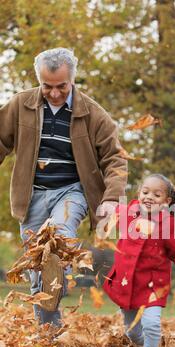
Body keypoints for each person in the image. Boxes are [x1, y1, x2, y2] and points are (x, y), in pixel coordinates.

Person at [0, 47, 127, 326]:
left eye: (61, 86)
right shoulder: (21, 105)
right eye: (47, 86)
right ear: (39, 80)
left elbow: (115, 158)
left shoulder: (92, 113)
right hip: (31, 196)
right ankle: (50, 336)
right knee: (37, 267)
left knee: (56, 236)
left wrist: (111, 197)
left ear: (72, 80)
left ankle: (58, 272)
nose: (55, 93)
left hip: (71, 192)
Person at [103, 174, 175, 347]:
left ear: (167, 201)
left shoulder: (168, 224)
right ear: (139, 193)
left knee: (150, 325)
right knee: (132, 332)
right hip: (128, 284)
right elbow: (108, 211)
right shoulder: (127, 212)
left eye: (156, 195)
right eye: (145, 192)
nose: (149, 197)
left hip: (153, 287)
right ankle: (143, 346)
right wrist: (104, 206)